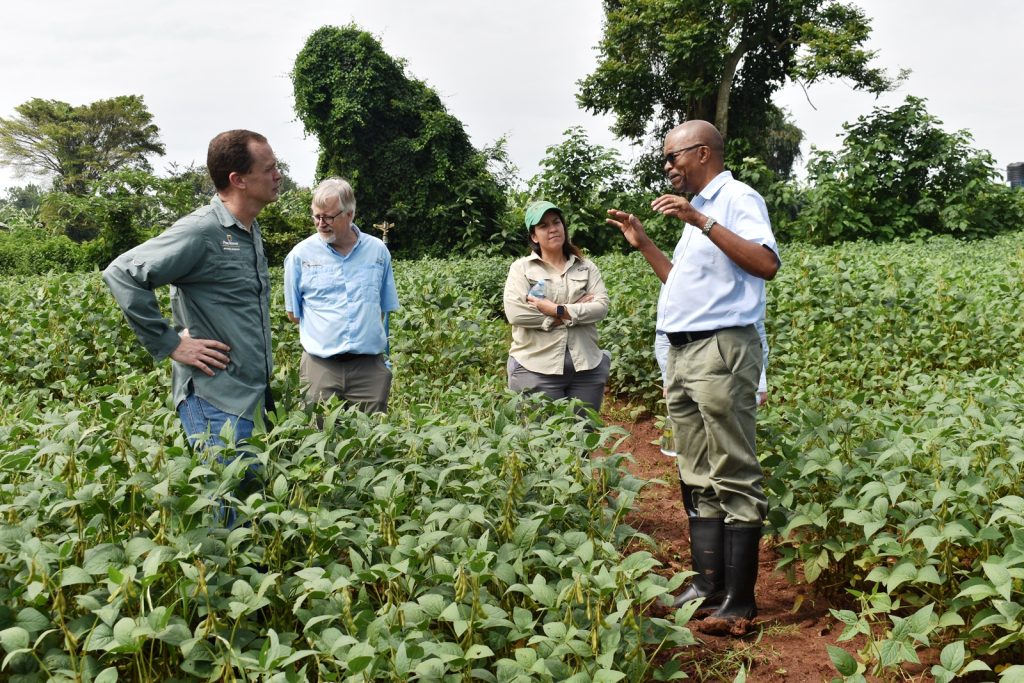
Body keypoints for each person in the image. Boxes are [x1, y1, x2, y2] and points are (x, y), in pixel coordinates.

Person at [607, 120, 780, 628]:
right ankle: (708, 586)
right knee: (696, 472)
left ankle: (740, 604)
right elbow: (678, 283)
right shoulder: (698, 214)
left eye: (672, 157)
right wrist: (644, 243)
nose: (667, 167)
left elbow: (766, 264)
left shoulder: (735, 200)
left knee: (733, 469)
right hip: (684, 355)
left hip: (721, 350)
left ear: (702, 153)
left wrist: (701, 221)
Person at [104, 129, 280, 450]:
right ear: (238, 179)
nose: (277, 175)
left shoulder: (248, 229)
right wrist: (171, 344)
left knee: (253, 496)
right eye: (268, 169)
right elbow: (123, 273)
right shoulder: (201, 231)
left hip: (251, 395)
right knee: (223, 499)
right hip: (216, 400)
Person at [283, 177, 399, 414]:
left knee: (373, 441)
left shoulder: (377, 251)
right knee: (319, 439)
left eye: (328, 217)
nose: (321, 223)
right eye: (316, 216)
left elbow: (382, 308)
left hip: (369, 369)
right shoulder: (300, 256)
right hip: (320, 367)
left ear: (350, 214)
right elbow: (293, 314)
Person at [503, 200, 610, 415]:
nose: (552, 229)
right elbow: (516, 313)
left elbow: (601, 307)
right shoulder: (521, 269)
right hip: (536, 367)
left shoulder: (586, 267)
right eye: (543, 226)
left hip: (586, 368)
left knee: (583, 438)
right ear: (534, 236)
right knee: (546, 441)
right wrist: (569, 312)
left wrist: (557, 309)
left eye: (556, 222)